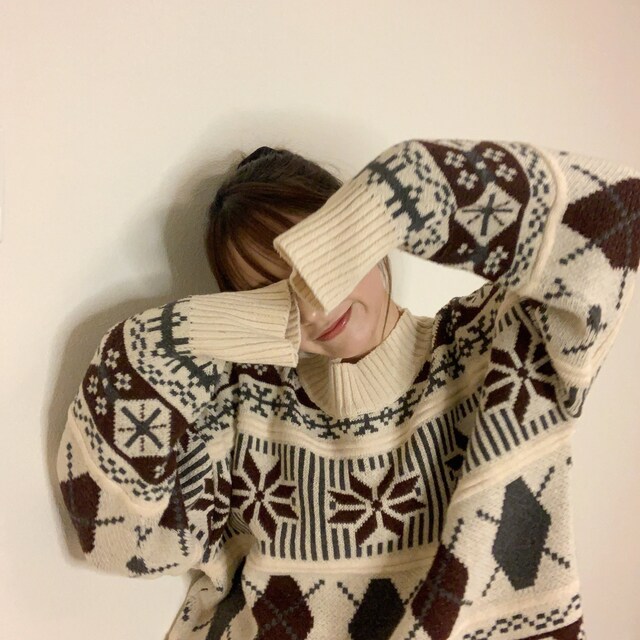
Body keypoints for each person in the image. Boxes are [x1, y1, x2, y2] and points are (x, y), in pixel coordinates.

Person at [57, 139, 640, 640]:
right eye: (269, 295)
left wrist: (400, 196)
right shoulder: (245, 412)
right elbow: (117, 540)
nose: (312, 308)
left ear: (361, 237)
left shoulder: (494, 351)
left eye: (322, 263)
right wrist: (189, 332)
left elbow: (618, 220)